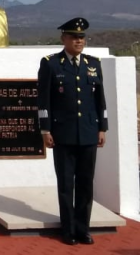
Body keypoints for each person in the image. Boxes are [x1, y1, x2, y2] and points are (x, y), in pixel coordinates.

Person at [37, 17, 107, 245]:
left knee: (86, 183)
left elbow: (100, 99)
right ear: (63, 38)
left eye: (82, 37)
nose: (79, 41)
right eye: (74, 37)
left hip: (88, 131)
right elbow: (43, 100)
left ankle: (83, 228)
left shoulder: (93, 63)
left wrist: (102, 127)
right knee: (66, 185)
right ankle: (67, 229)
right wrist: (45, 129)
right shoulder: (51, 63)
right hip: (63, 133)